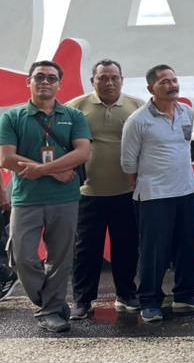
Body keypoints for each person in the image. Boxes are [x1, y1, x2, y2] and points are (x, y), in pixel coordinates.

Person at [0, 60, 92, 333]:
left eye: (51, 78)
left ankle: (51, 310)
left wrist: (41, 169)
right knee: (23, 255)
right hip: (26, 198)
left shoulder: (74, 116)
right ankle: (50, 302)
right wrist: (52, 172)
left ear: (59, 84)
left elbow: (82, 153)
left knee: (60, 257)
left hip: (64, 198)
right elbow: (6, 157)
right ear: (28, 82)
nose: (45, 82)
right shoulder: (12, 117)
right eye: (39, 77)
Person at [122, 64, 194, 323]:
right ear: (151, 89)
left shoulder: (185, 112)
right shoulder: (138, 120)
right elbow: (128, 163)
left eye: (174, 80)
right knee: (154, 251)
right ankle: (149, 300)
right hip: (154, 195)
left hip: (186, 190)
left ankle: (185, 295)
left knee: (188, 246)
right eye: (164, 82)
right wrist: (144, 184)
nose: (172, 85)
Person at [66, 59, 144, 318]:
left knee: (127, 245)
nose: (109, 82)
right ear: (93, 81)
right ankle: (83, 300)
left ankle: (126, 294)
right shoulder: (76, 108)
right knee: (86, 249)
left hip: (126, 191)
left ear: (122, 79)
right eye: (103, 78)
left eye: (114, 77)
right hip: (88, 193)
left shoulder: (137, 107)